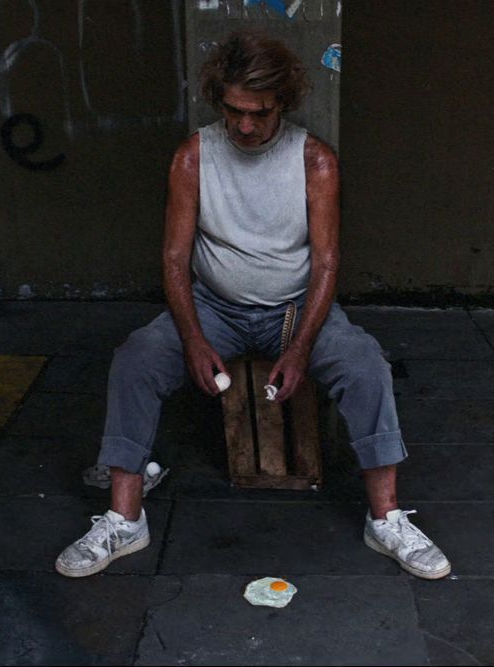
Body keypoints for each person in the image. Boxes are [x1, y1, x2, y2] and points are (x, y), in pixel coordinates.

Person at [55, 31, 450, 580]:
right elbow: (174, 257)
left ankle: (386, 519)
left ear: (281, 104)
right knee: (138, 357)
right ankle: (125, 518)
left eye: (259, 114)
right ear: (221, 102)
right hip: (214, 306)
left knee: (365, 366)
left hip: (294, 307)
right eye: (234, 111)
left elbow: (327, 263)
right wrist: (193, 338)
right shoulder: (193, 157)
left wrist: (303, 346)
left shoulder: (315, 162)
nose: (244, 125)